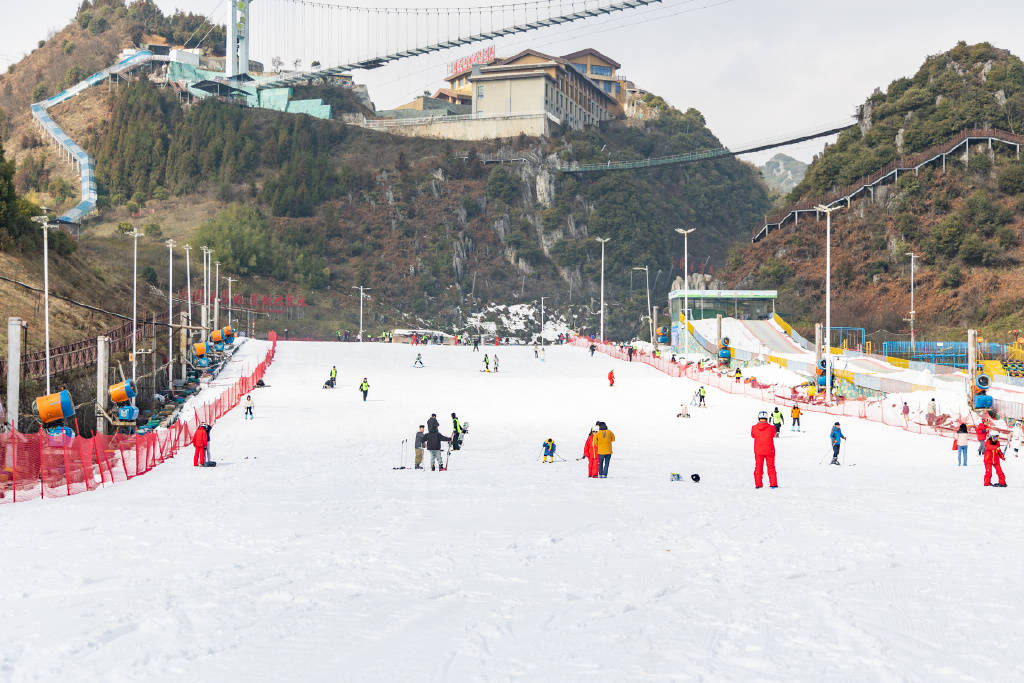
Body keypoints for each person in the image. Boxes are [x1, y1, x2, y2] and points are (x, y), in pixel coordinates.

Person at [751, 411, 778, 489]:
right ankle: (773, 484)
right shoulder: (772, 427)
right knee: (771, 467)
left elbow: (752, 435)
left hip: (758, 451)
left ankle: (758, 484)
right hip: (770, 450)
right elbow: (774, 434)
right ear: (767, 418)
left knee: (758, 467)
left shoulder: (754, 428)